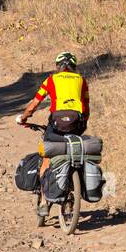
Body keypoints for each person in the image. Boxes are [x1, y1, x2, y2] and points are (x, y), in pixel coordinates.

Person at [16, 51, 88, 219]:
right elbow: (86, 107)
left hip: (56, 125)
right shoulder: (82, 81)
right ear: (74, 66)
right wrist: (82, 125)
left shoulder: (51, 80)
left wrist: (24, 117)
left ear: (58, 67)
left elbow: (35, 103)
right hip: (77, 124)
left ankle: (44, 202)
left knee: (46, 156)